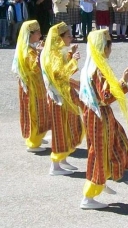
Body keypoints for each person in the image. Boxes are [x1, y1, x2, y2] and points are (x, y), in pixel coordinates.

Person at [79, 29, 128, 209]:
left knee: (113, 144)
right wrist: (123, 82)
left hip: (95, 114)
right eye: (109, 45)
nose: (111, 48)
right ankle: (88, 196)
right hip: (99, 115)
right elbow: (106, 97)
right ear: (102, 47)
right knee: (99, 151)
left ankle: (100, 182)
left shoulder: (93, 64)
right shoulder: (98, 69)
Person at [40, 23, 84, 175]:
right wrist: (74, 61)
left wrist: (70, 55)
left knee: (67, 127)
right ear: (59, 38)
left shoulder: (56, 51)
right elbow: (60, 75)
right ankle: (55, 166)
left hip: (62, 95)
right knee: (60, 129)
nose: (71, 37)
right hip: (58, 98)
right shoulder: (53, 54)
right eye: (68, 35)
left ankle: (63, 159)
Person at [11, 20, 50, 152]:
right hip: (31, 87)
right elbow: (35, 68)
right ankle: (33, 141)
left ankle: (37, 134)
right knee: (34, 112)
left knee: (38, 110)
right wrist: (40, 54)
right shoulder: (28, 51)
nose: (40, 34)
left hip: (35, 86)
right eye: (37, 32)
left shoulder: (29, 48)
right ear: (30, 34)